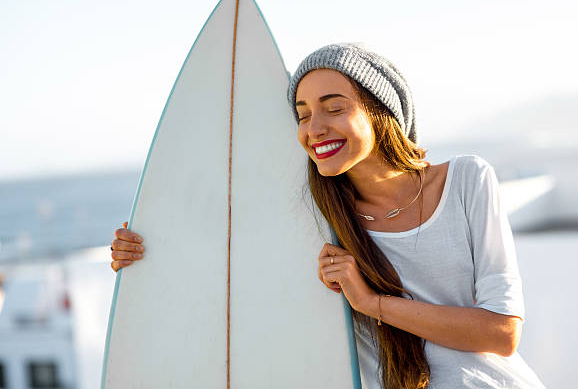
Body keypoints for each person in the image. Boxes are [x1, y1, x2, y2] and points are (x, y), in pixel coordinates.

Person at [110, 43, 546, 388]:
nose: (313, 128)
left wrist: (372, 303)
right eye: (302, 116)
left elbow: (502, 332)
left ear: (381, 111)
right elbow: (225, 271)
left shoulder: (468, 180)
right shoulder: (319, 221)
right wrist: (146, 253)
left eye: (334, 108)